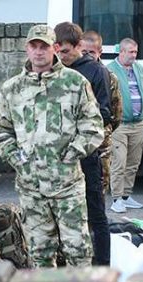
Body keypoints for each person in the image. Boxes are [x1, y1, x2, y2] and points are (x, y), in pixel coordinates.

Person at [0, 24, 104, 267]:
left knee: (78, 249)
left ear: (54, 48)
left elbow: (93, 126)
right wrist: (17, 159)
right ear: (27, 49)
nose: (39, 51)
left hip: (67, 185)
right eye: (34, 46)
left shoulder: (75, 83)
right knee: (40, 251)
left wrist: (72, 153)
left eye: (44, 46)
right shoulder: (12, 88)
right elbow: (1, 130)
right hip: (31, 186)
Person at [54, 21, 111, 266]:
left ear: (78, 46)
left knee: (95, 214)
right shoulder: (52, 69)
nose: (60, 55)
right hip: (57, 159)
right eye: (57, 50)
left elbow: (106, 114)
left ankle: (102, 266)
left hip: (86, 155)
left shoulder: (95, 71)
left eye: (65, 51)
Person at [108, 37, 143, 213]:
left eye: (136, 52)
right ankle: (116, 198)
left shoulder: (139, 69)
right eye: (131, 52)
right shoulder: (110, 70)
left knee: (133, 162)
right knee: (119, 161)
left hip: (138, 124)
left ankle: (126, 195)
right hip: (120, 125)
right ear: (122, 52)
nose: (134, 55)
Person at [80, 30, 123, 197]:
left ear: (99, 53)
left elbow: (116, 113)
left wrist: (106, 130)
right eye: (84, 52)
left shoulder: (109, 77)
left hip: (102, 141)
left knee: (99, 186)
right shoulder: (75, 74)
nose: (88, 56)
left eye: (91, 52)